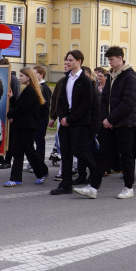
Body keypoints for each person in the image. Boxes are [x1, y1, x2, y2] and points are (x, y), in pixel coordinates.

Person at [75, 46, 136, 199]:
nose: (110, 63)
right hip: (110, 123)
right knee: (103, 155)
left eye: (112, 59)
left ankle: (128, 187)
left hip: (125, 123)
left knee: (126, 155)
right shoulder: (111, 76)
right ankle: (93, 187)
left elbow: (128, 103)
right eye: (108, 60)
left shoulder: (130, 77)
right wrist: (105, 119)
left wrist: (110, 119)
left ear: (120, 58)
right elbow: (104, 100)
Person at [50, 51, 98, 195]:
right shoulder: (66, 80)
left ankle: (97, 171)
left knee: (79, 150)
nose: (67, 63)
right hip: (66, 121)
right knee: (65, 153)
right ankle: (66, 185)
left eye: (70, 60)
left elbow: (86, 104)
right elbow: (61, 100)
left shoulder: (85, 81)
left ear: (79, 61)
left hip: (80, 122)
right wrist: (62, 117)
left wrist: (71, 119)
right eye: (66, 60)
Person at [4, 67, 50, 187]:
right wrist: (12, 97)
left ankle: (43, 172)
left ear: (28, 77)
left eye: (21, 76)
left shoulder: (30, 91)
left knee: (29, 150)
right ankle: (16, 178)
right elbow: (20, 105)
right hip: (22, 125)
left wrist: (9, 114)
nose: (19, 78)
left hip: (27, 126)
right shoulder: (28, 90)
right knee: (18, 151)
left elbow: (21, 109)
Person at [0, 58, 20, 170]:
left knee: (8, 138)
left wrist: (12, 114)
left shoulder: (13, 79)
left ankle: (7, 160)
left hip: (8, 113)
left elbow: (15, 98)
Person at [33, 65, 53, 167]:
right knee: (35, 140)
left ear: (41, 74)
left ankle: (40, 163)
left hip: (41, 119)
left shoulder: (44, 88)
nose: (33, 74)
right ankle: (34, 162)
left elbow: (45, 106)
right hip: (36, 118)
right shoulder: (36, 86)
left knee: (40, 141)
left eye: (35, 73)